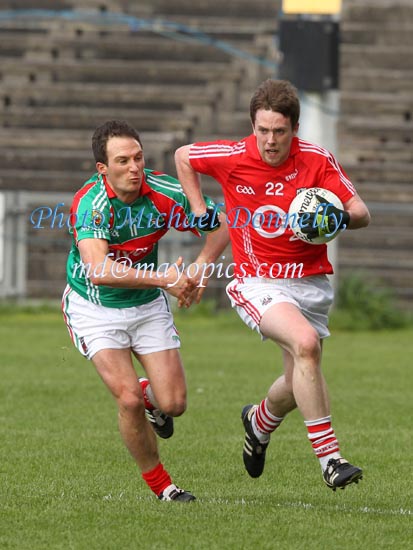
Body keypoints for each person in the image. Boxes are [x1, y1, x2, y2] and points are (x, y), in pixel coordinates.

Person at [175, 79, 371, 491]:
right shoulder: (233, 155)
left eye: (278, 131)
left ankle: (259, 420)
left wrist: (333, 218)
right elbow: (183, 156)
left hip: (311, 283)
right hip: (256, 280)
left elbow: (360, 212)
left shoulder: (316, 160)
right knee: (305, 345)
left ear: (294, 129)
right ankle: (331, 460)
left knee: (301, 375)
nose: (269, 140)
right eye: (262, 130)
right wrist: (197, 207)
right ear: (253, 126)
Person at [62, 120, 229, 502]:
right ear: (103, 169)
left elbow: (222, 226)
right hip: (95, 308)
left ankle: (152, 399)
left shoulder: (165, 191)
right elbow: (98, 271)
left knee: (174, 403)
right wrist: (164, 280)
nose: (134, 167)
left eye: (138, 158)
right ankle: (163, 487)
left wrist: (200, 267)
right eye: (123, 161)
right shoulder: (91, 204)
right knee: (128, 400)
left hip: (146, 306)